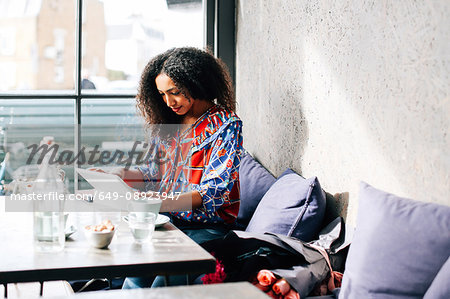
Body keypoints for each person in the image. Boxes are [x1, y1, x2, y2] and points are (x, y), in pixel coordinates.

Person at [109, 47, 243, 288]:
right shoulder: (169, 123)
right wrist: (122, 174)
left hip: (208, 230)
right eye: (162, 94)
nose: (169, 102)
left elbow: (215, 192)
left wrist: (160, 201)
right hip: (166, 222)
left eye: (175, 92)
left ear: (197, 84)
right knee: (134, 282)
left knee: (163, 284)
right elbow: (153, 173)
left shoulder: (226, 125)